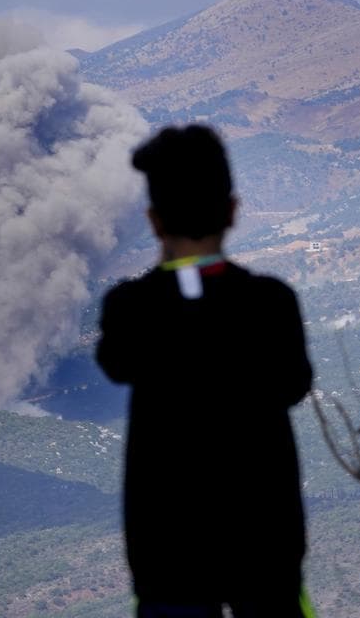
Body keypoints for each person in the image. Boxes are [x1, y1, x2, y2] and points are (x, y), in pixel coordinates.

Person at [95, 125, 316, 618]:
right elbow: (293, 384)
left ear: (153, 221)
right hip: (266, 553)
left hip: (168, 560)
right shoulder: (270, 305)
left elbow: (116, 362)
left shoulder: (130, 310)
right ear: (233, 211)